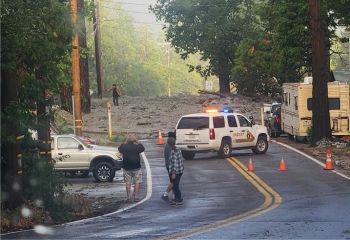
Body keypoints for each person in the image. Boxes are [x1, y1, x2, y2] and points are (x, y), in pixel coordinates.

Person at [118, 135, 145, 203]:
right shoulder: (137, 147)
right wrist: (138, 142)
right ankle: (136, 197)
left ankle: (129, 197)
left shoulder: (124, 147)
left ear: (127, 141)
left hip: (126, 167)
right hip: (136, 167)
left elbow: (119, 148)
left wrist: (125, 142)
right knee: (137, 182)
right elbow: (142, 148)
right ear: (134, 141)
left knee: (128, 183)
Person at [168, 137, 184, 206]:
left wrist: (173, 173)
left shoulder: (173, 151)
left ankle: (179, 199)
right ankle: (177, 199)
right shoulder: (178, 149)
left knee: (175, 186)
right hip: (180, 171)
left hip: (176, 172)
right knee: (176, 185)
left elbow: (175, 163)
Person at [161, 132, 176, 201]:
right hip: (171, 166)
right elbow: (173, 159)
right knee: (174, 181)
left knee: (173, 181)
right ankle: (166, 194)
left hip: (168, 165)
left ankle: (174, 195)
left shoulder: (167, 145)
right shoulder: (171, 146)